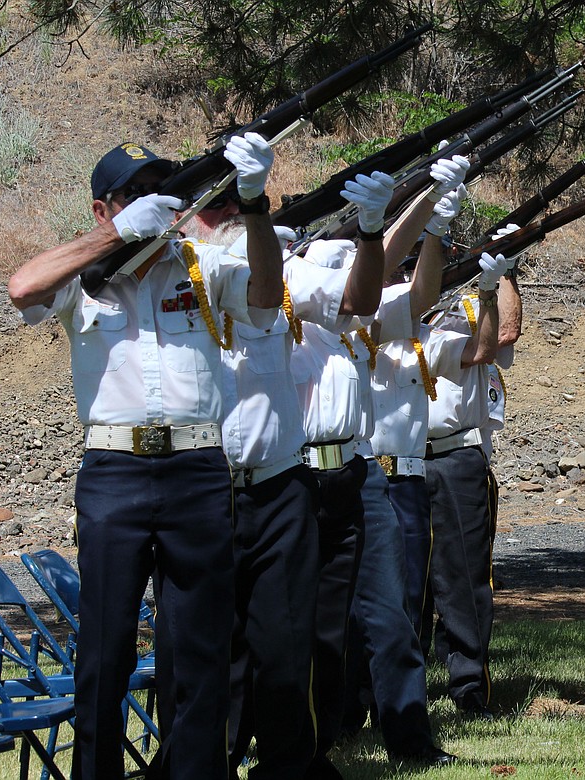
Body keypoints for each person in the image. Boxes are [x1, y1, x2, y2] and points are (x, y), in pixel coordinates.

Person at [7, 135, 282, 780]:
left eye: (161, 191)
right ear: (104, 208)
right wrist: (112, 239)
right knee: (105, 649)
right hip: (116, 474)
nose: (153, 203)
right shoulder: (85, 275)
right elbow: (22, 287)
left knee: (200, 649)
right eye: (134, 194)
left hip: (197, 471)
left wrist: (254, 201)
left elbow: (268, 296)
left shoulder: (202, 264)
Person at [182, 172, 391, 778]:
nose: (224, 217)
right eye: (214, 205)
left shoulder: (274, 271)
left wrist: (373, 232)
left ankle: (290, 764)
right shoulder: (162, 270)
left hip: (276, 483)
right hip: (203, 486)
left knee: (287, 640)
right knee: (209, 647)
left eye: (236, 204)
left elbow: (358, 300)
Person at [342, 167, 478, 768]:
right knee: (342, 613)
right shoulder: (322, 298)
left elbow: (421, 293)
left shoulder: (402, 322)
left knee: (401, 606)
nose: (388, 283)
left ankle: (399, 719)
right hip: (357, 469)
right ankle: (345, 712)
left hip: (403, 476)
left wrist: (435, 228)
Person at [421, 239, 518, 720]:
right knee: (398, 586)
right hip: (392, 459)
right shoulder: (383, 301)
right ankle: (388, 695)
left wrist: (504, 275)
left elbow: (504, 336)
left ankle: (468, 689)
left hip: (455, 453)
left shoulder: (468, 302)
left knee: (464, 579)